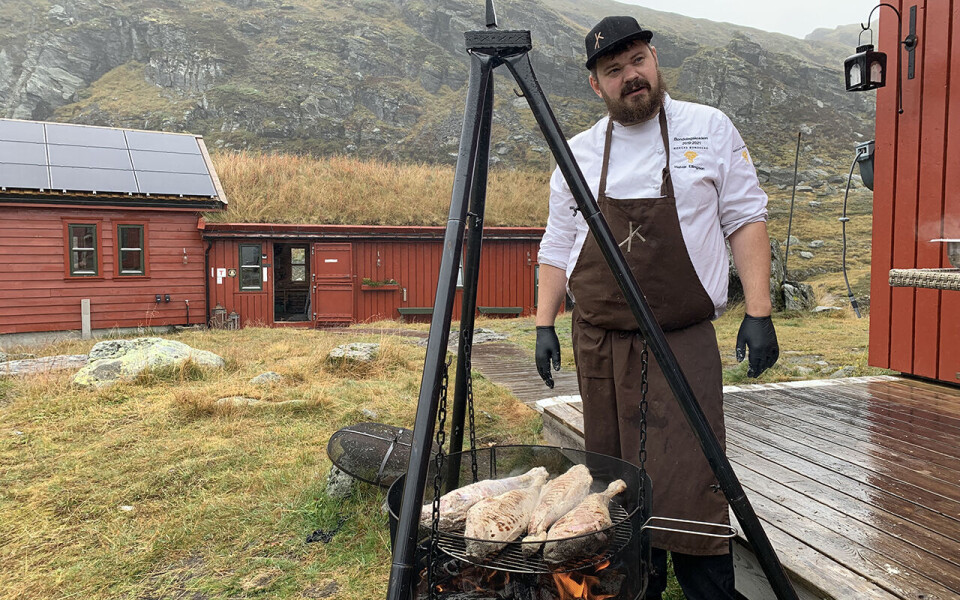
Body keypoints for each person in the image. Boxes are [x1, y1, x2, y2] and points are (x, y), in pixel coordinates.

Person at [534, 15, 780, 600]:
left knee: (694, 478)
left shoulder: (709, 128)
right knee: (615, 481)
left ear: (654, 59)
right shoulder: (578, 153)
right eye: (613, 70)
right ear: (597, 86)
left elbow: (745, 217)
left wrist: (761, 311)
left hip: (682, 338)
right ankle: (634, 587)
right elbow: (557, 242)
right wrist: (544, 322)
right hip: (601, 343)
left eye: (637, 60)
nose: (631, 76)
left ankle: (707, 591)